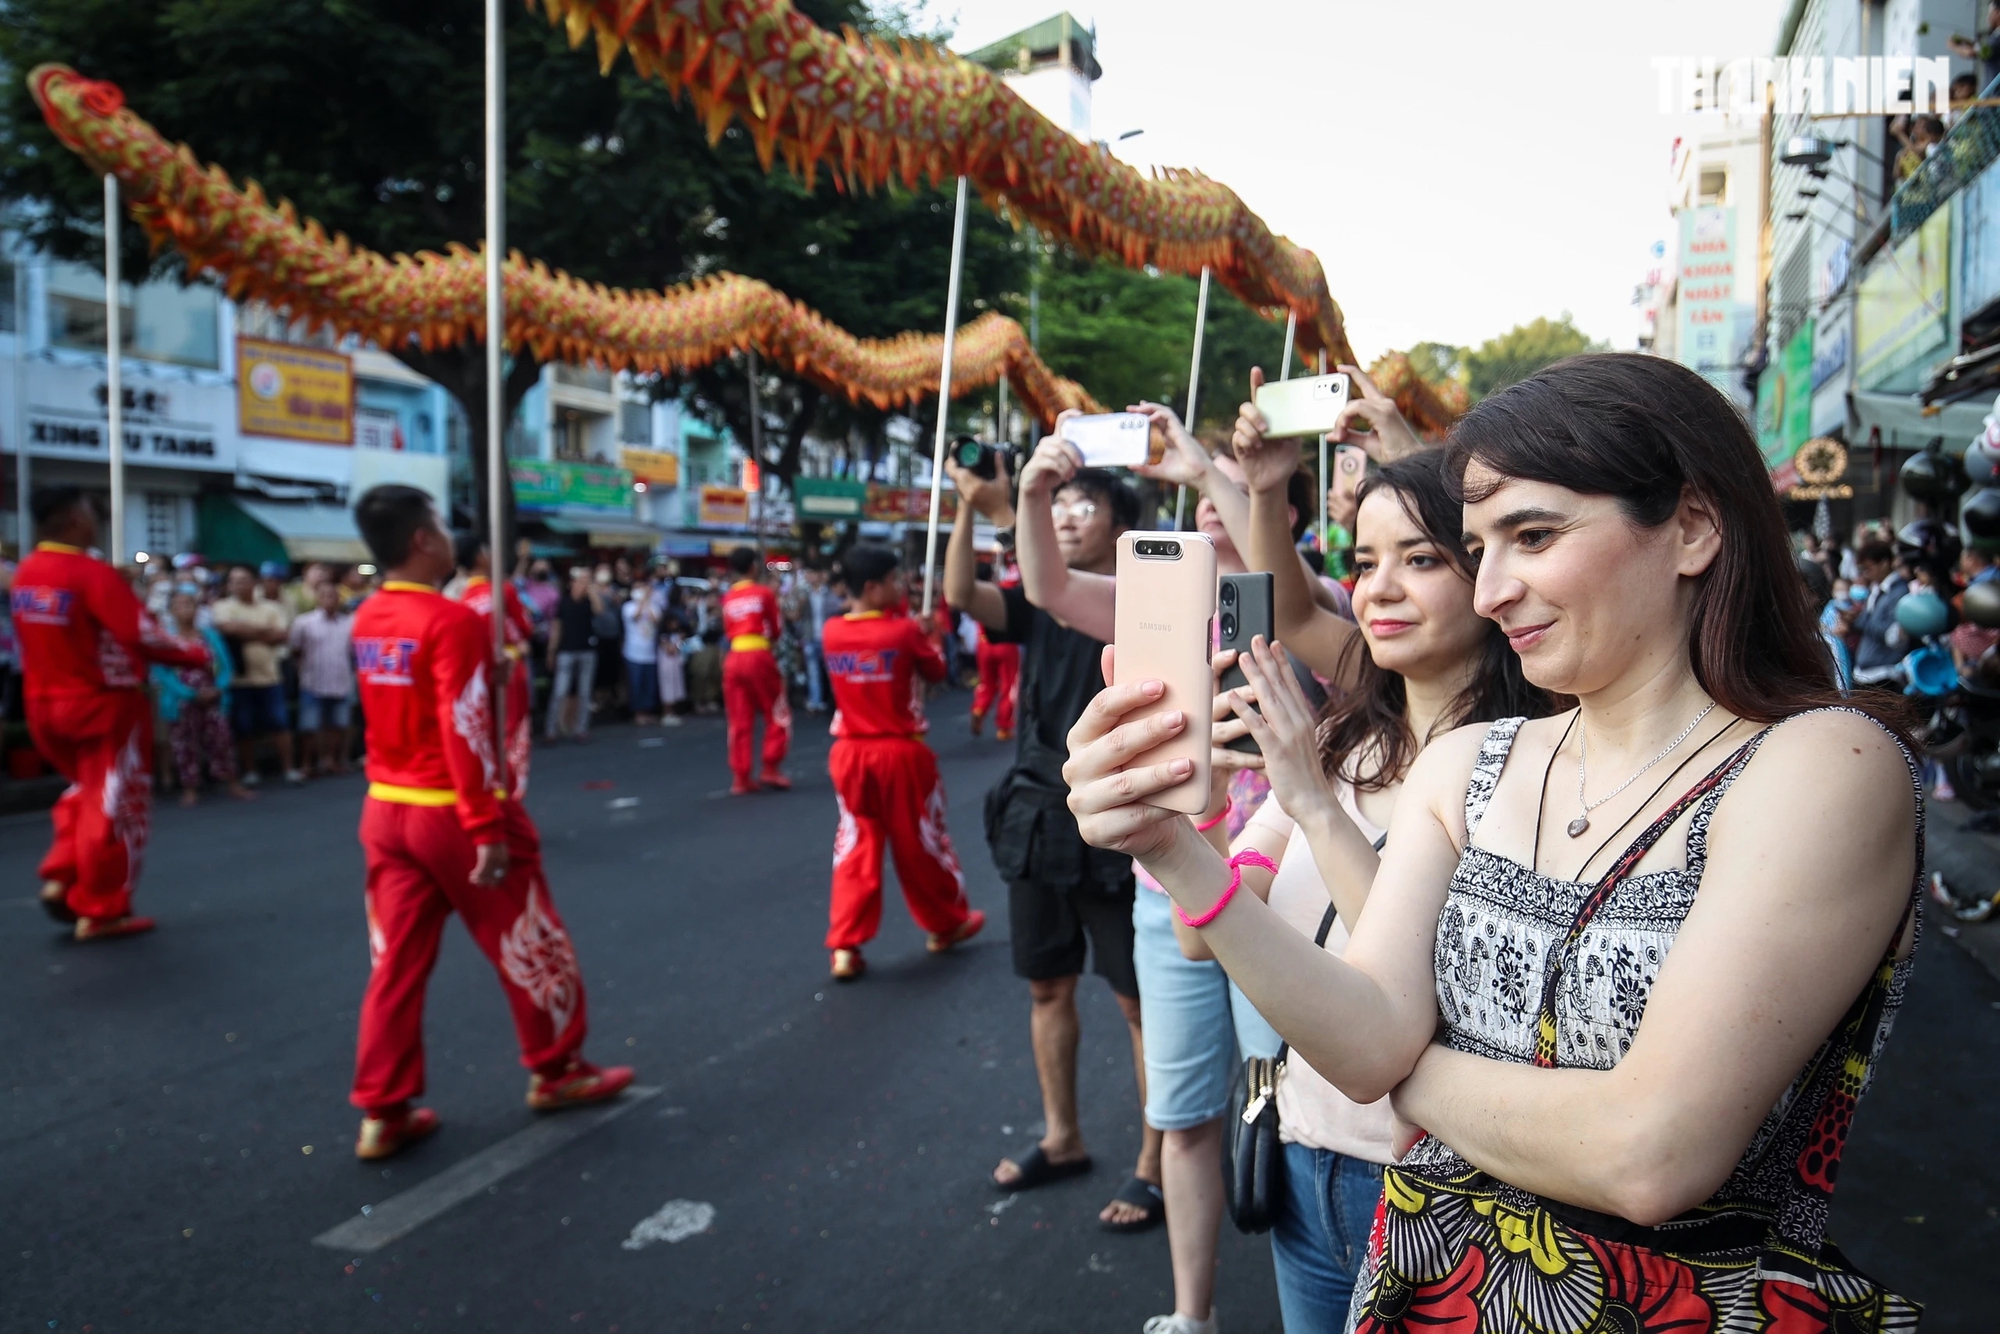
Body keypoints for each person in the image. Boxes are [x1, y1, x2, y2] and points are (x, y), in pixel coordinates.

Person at [1067, 353, 1924, 1330]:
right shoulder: (1468, 761)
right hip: (1418, 1295)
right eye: (1478, 546)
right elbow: (1357, 1037)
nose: (1490, 590)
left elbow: (1648, 1153)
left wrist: (1402, 1069)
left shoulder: (1820, 763)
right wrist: (1171, 847)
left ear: (1690, 525)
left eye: (1531, 534)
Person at [1227, 440, 1557, 1330]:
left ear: (1490, 580)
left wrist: (1313, 810)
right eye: (1365, 562)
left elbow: (1428, 991)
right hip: (1308, 1157)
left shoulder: (1539, 770)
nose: (1377, 589)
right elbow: (1205, 927)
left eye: (1421, 559)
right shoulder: (1337, 746)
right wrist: (1168, 821)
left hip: (1444, 1186)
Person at [346, 485, 633, 1160]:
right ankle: (558, 1068)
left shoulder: (369, 617)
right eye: (440, 526)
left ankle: (381, 1108)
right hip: (450, 808)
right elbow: (466, 730)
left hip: (386, 808)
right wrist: (485, 829)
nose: (449, 537)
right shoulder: (450, 622)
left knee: (395, 965)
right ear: (422, 541)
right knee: (530, 937)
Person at [944, 430, 1162, 1232]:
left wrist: (1012, 507)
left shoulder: (1143, 603)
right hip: (1038, 816)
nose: (1070, 514)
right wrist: (972, 509)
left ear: (1120, 519)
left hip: (1114, 815)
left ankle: (1154, 1160)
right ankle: (1062, 1135)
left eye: (1086, 501)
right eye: (1060, 500)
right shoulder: (1039, 604)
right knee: (1047, 985)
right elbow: (963, 595)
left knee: (1140, 1004)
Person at [14, 486, 211, 939]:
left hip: (44, 704)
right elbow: (140, 634)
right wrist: (195, 654)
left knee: (87, 792)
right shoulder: (89, 572)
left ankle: (64, 875)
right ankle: (100, 907)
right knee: (116, 804)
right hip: (103, 705)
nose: (96, 519)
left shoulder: (27, 572)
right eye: (88, 512)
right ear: (71, 519)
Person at [817, 542, 985, 980]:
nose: (900, 587)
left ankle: (845, 946)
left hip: (849, 753)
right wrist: (928, 634)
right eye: (893, 581)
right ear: (872, 588)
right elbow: (934, 671)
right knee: (921, 842)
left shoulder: (832, 631)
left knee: (855, 844)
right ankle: (946, 924)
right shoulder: (902, 632)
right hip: (900, 752)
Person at [154, 585, 250, 805]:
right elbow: (162, 673)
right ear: (171, 611)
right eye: (179, 605)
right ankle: (190, 788)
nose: (185, 609)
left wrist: (218, 688)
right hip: (182, 699)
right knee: (184, 744)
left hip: (213, 695)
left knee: (222, 739)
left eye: (189, 604)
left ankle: (233, 783)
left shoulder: (210, 636)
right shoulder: (166, 640)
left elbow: (225, 666)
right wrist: (189, 694)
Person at [454, 533, 535, 795]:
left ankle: (490, 793)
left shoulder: (459, 598)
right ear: (480, 557)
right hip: (508, 672)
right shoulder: (503, 591)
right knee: (512, 736)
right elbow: (525, 628)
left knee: (485, 737)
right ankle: (510, 800)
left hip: (474, 678)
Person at [211, 565, 304, 786]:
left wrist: (245, 630)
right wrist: (264, 632)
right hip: (239, 678)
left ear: (254, 583)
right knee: (244, 726)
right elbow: (227, 629)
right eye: (233, 581)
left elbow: (282, 635)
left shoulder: (272, 607)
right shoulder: (222, 606)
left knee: (279, 723)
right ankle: (251, 771)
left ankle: (289, 769)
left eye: (243, 580)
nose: (237, 585)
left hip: (270, 676)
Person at [719, 546, 791, 794]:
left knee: (739, 719)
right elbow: (776, 628)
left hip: (734, 656)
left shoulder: (728, 597)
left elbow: (727, 629)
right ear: (753, 567)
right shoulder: (763, 593)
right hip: (759, 654)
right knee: (776, 711)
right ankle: (770, 767)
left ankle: (740, 777)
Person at [289, 578, 357, 776]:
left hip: (340, 680)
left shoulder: (348, 624)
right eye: (325, 596)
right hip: (313, 680)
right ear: (318, 599)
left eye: (333, 596)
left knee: (337, 725)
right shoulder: (304, 622)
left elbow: (353, 653)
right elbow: (296, 651)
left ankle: (330, 760)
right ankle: (306, 764)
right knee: (309, 728)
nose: (330, 600)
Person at [545, 568, 598, 742]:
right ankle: (551, 730)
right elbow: (557, 628)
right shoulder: (564, 602)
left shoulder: (589, 602)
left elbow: (600, 610)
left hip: (586, 650)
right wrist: (551, 651)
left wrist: (591, 590)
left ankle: (580, 729)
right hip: (566, 651)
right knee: (560, 691)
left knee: (584, 692)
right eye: (579, 581)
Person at [621, 572, 662, 724]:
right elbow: (635, 616)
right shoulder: (628, 607)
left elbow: (656, 620)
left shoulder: (655, 606)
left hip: (650, 653)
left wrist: (648, 602)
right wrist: (643, 601)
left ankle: (647, 711)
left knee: (649, 685)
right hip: (633, 653)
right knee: (636, 685)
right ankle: (637, 713)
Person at [801, 565, 842, 713]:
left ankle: (838, 701)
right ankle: (816, 701)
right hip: (811, 636)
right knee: (813, 673)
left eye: (812, 573)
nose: (809, 577)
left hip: (827, 637)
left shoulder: (829, 594)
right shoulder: (804, 594)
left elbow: (838, 607)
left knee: (832, 672)